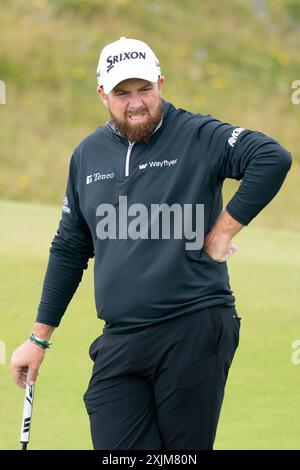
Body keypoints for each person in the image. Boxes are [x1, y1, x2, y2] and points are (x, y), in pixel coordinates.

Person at [11, 37, 292, 450]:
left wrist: (223, 231)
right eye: (122, 93)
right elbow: (70, 248)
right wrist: (38, 339)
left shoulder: (197, 134)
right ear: (103, 94)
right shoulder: (88, 155)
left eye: (144, 89)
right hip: (120, 339)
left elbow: (271, 157)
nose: (136, 102)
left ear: (161, 83)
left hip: (193, 326)